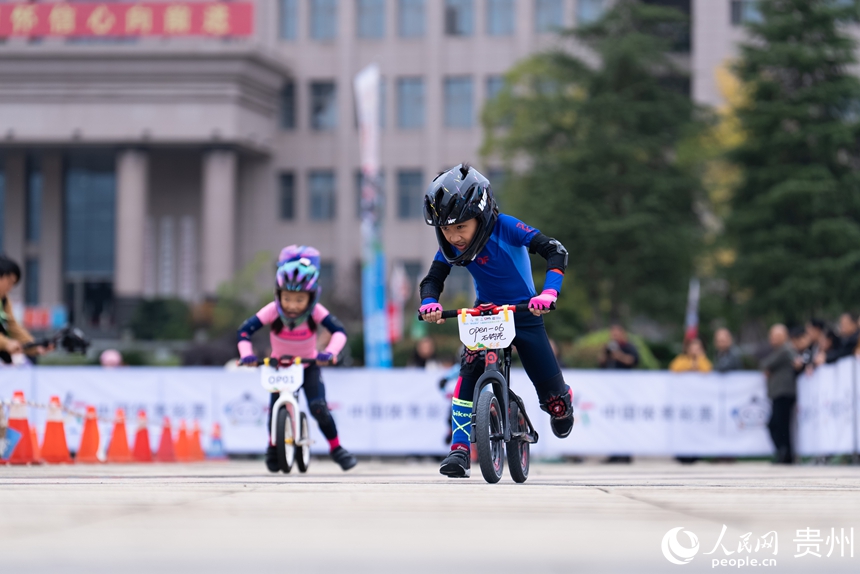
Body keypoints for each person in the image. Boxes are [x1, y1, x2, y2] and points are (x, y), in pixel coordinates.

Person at [418, 163, 573, 478]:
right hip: (485, 314)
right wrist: (429, 302)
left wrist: (548, 294)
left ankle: (560, 401)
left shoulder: (507, 227)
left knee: (553, 398)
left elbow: (555, 251)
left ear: (481, 213)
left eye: (460, 227)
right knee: (468, 375)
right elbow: (432, 279)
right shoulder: (449, 246)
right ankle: (460, 449)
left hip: (525, 312)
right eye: (446, 229)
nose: (454, 237)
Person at [236, 245, 357, 472]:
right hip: (279, 367)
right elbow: (244, 332)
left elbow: (339, 332)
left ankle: (337, 448)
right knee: (274, 410)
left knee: (319, 407)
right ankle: (273, 445)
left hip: (308, 365)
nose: (292, 305)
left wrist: (329, 353)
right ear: (278, 294)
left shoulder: (316, 312)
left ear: (311, 297)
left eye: (299, 299)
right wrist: (247, 355)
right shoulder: (272, 310)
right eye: (287, 298)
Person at [0, 256, 49, 364]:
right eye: (10, 282)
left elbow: (13, 327)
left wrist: (35, 347)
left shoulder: (4, 300)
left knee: (30, 359)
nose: (10, 288)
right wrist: (6, 343)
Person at [760, 324, 797, 464]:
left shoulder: (785, 349)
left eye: (775, 336)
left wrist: (768, 368)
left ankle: (785, 453)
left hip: (784, 392)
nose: (772, 339)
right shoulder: (781, 350)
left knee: (780, 425)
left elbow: (766, 363)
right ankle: (784, 453)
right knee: (778, 425)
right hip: (779, 393)